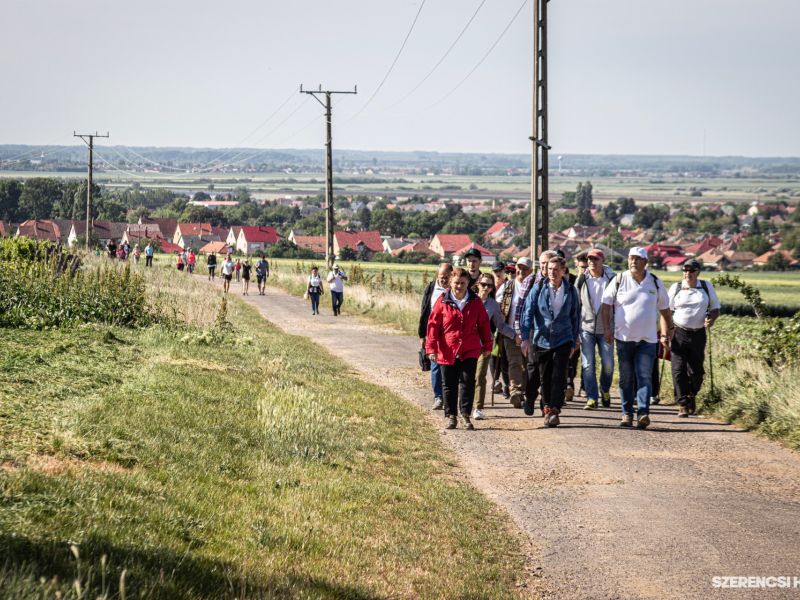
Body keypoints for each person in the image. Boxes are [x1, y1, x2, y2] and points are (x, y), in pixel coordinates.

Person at [601, 247, 674, 429]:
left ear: (645, 262)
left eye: (638, 259)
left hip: (647, 339)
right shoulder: (619, 280)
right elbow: (605, 305)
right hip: (624, 338)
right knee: (626, 378)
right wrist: (607, 329)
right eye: (631, 258)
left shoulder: (655, 282)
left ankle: (643, 413)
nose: (633, 262)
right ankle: (627, 414)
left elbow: (665, 310)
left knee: (644, 376)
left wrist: (667, 332)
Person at [426, 267, 492, 430]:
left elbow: (483, 324)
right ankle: (451, 416)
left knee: (467, 381)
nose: (459, 286)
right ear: (450, 282)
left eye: (463, 283)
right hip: (447, 349)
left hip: (469, 349)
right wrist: (431, 348)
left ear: (468, 283)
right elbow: (433, 325)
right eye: (456, 283)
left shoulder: (475, 302)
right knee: (449, 384)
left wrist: (487, 345)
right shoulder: (442, 301)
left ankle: (465, 415)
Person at [520, 255, 581, 427]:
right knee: (544, 375)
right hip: (542, 339)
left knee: (559, 375)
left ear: (563, 271)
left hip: (563, 338)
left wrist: (575, 338)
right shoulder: (539, 288)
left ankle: (554, 409)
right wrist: (525, 338)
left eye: (556, 269)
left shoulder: (570, 290)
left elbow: (575, 316)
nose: (552, 272)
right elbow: (528, 312)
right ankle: (544, 405)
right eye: (549, 269)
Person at [668, 258, 721, 417]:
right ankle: (683, 403)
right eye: (685, 270)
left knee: (697, 372)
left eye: (691, 270)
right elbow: (667, 311)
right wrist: (666, 332)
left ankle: (691, 394)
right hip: (679, 332)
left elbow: (715, 307)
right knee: (678, 370)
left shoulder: (706, 286)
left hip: (698, 333)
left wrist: (711, 319)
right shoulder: (676, 287)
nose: (687, 273)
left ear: (698, 272)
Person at [474, 273, 518, 420]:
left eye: (489, 285)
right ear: (478, 284)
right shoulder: (469, 299)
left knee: (480, 375)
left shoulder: (493, 304)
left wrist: (515, 335)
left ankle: (478, 408)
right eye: (483, 284)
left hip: (484, 345)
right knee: (466, 377)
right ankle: (465, 404)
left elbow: (500, 325)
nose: (486, 288)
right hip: (466, 345)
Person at [576, 248, 615, 410]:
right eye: (589, 259)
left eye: (595, 259)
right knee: (588, 365)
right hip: (586, 328)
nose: (591, 262)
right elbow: (575, 305)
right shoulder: (581, 280)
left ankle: (604, 389)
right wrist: (575, 330)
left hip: (606, 328)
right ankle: (592, 398)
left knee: (608, 365)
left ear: (602, 261)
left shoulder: (612, 279)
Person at [496, 257, 535, 409]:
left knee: (528, 365)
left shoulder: (535, 287)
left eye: (525, 269)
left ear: (531, 271)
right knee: (514, 362)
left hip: (529, 334)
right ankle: (516, 391)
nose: (521, 271)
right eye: (519, 268)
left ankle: (524, 391)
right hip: (510, 332)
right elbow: (498, 309)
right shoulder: (507, 286)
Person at [418, 263, 453, 410]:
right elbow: (424, 310)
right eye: (441, 277)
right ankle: (438, 397)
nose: (444, 280)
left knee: (450, 366)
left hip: (451, 333)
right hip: (433, 333)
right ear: (437, 275)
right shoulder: (431, 288)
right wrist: (423, 334)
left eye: (447, 277)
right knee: (435, 365)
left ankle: (449, 396)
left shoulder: (456, 289)